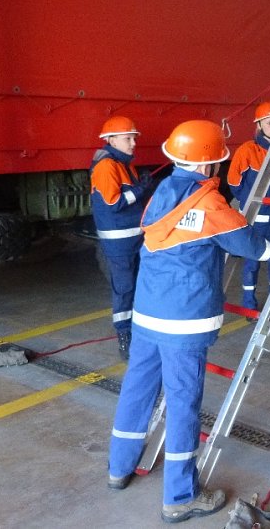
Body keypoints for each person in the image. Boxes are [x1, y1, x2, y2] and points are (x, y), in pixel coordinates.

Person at [107, 119, 270, 523]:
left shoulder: (161, 192)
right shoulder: (211, 204)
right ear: (207, 164)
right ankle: (180, 496)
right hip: (184, 321)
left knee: (137, 389)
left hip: (147, 313)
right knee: (183, 404)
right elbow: (252, 246)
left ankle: (119, 467)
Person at [227, 101, 270, 319]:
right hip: (255, 221)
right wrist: (249, 202)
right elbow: (234, 182)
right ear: (259, 125)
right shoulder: (247, 151)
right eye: (269, 122)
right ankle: (250, 306)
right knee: (252, 264)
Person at [90, 116, 151, 360]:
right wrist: (141, 189)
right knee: (124, 288)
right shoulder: (107, 166)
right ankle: (124, 336)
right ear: (112, 140)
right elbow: (114, 203)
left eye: (134, 138)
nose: (133, 143)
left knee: (137, 285)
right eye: (128, 138)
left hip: (134, 238)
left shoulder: (125, 164)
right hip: (119, 242)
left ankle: (138, 330)